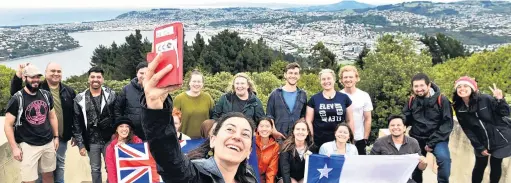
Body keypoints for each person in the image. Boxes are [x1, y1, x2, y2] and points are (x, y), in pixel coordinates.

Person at [141, 53, 258, 183]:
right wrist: (155, 108)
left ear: (249, 151)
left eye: (245, 134)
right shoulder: (193, 176)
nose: (237, 137)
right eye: (230, 129)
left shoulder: (249, 178)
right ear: (212, 139)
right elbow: (168, 157)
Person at [10, 62, 76, 183]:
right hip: (34, 139)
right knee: (36, 173)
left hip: (58, 137)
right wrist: (19, 73)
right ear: (45, 73)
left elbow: (74, 114)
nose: (56, 74)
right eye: (52, 71)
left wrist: (74, 134)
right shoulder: (37, 87)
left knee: (57, 166)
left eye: (59, 71)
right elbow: (15, 92)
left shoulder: (69, 91)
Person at [4, 64, 59, 183]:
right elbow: (8, 125)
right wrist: (14, 148)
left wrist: (56, 137)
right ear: (24, 78)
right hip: (28, 145)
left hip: (48, 142)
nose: (35, 80)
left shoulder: (46, 95)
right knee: (29, 180)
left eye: (38, 77)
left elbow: (52, 116)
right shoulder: (17, 98)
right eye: (32, 77)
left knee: (49, 175)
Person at [452, 76, 511, 183]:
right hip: (481, 141)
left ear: (473, 88)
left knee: (496, 165)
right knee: (479, 166)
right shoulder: (459, 107)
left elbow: (505, 113)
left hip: (499, 138)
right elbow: (467, 129)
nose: (462, 88)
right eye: (459, 87)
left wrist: (500, 100)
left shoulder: (485, 99)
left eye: (466, 85)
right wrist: (479, 146)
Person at [402, 73, 452, 183]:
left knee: (444, 160)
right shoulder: (412, 101)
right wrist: (398, 123)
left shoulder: (442, 100)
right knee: (415, 166)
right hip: (417, 138)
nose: (419, 89)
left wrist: (431, 142)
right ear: (412, 87)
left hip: (437, 139)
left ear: (429, 85)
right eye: (416, 86)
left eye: (421, 85)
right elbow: (406, 117)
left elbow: (447, 124)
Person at [72, 67, 116, 183]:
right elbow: (77, 123)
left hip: (109, 139)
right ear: (88, 79)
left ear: (103, 79)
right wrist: (80, 144)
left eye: (98, 77)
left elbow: (118, 116)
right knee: (95, 169)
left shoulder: (111, 95)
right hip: (91, 141)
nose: (95, 79)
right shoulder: (79, 98)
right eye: (92, 77)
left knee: (111, 168)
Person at [370, 115, 428, 183]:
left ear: (404, 128)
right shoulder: (380, 142)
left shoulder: (413, 142)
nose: (395, 127)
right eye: (392, 125)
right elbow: (372, 164)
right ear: (389, 127)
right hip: (385, 179)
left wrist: (424, 163)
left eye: (398, 125)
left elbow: (420, 168)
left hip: (406, 179)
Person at [305, 69, 354, 148]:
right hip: (319, 141)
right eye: (323, 79)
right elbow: (308, 121)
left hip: (340, 141)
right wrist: (311, 138)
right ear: (320, 81)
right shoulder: (314, 99)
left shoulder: (344, 98)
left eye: (329, 78)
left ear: (334, 80)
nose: (326, 81)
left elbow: (350, 120)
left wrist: (350, 138)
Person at [266, 62, 307, 139]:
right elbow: (269, 115)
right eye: (290, 73)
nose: (293, 76)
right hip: (278, 138)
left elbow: (303, 116)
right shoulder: (275, 94)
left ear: (299, 76)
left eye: (295, 73)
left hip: (296, 138)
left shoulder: (303, 94)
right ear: (285, 75)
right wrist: (274, 131)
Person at [339, 65, 373, 155]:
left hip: (359, 138)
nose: (348, 79)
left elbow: (368, 119)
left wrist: (365, 138)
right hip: (341, 138)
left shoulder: (364, 95)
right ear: (341, 80)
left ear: (356, 78)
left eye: (351, 77)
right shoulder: (338, 96)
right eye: (345, 77)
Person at [174, 69, 215, 139]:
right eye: (194, 81)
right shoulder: (179, 99)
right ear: (189, 83)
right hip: (184, 140)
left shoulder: (208, 98)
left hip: (204, 140)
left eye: (199, 82)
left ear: (202, 84)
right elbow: (173, 121)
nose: (196, 84)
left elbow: (213, 117)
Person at [114, 62, 149, 140]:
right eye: (141, 73)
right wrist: (122, 127)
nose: (144, 76)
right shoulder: (126, 89)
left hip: (150, 133)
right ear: (137, 73)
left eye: (147, 73)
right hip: (131, 133)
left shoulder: (155, 89)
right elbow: (117, 110)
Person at [105, 116, 143, 183]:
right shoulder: (110, 148)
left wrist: (126, 148)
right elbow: (111, 170)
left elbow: (142, 165)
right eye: (121, 126)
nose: (124, 129)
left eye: (127, 126)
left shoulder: (137, 142)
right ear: (116, 129)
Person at [278, 119, 317, 183]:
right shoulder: (286, 147)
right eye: (298, 129)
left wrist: (310, 160)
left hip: (303, 178)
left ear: (307, 132)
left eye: (303, 129)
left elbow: (314, 170)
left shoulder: (312, 148)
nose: (300, 132)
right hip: (286, 178)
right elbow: (285, 171)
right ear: (293, 131)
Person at [255, 117, 280, 183]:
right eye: (261, 126)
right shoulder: (251, 142)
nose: (264, 129)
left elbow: (271, 171)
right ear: (257, 129)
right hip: (247, 176)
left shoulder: (275, 146)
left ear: (272, 129)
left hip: (263, 178)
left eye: (267, 126)